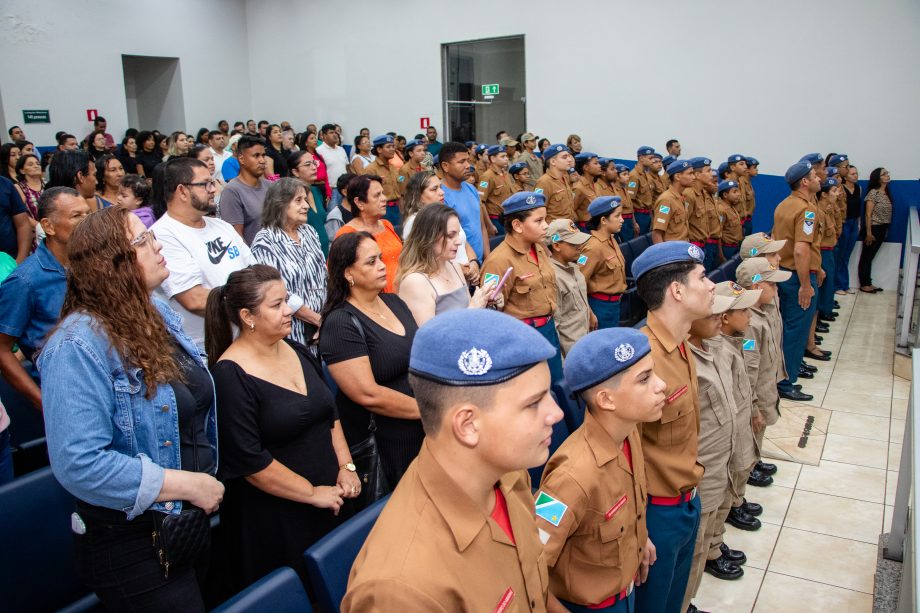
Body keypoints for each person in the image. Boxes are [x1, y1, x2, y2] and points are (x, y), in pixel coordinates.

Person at [39, 206, 224, 611]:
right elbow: (80, 464)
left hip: (184, 523)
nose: (158, 246)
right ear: (113, 261)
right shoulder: (75, 345)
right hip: (133, 542)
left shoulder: (152, 312)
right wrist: (188, 484)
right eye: (143, 240)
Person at [341, 308, 564, 611]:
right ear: (468, 426)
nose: (557, 413)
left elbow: (532, 583)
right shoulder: (403, 590)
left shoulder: (508, 474)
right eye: (534, 403)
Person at [206, 264, 356, 590]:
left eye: (286, 300)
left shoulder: (297, 350)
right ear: (248, 316)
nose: (289, 310)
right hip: (278, 520)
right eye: (276, 305)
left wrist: (346, 466)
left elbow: (330, 415)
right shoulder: (230, 377)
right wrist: (311, 493)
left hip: (330, 499)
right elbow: (251, 462)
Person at [538, 327, 664, 612]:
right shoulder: (571, 478)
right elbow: (529, 567)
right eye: (645, 380)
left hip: (625, 592)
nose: (662, 385)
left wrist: (639, 538)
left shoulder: (628, 433)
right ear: (606, 400)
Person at [630, 241, 715, 613]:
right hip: (655, 515)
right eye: (702, 278)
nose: (712, 285)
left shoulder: (682, 344)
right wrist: (637, 528)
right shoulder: (642, 360)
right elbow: (622, 453)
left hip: (686, 503)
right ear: (677, 291)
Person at [319, 231, 423, 488]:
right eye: (371, 262)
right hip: (389, 439)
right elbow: (368, 394)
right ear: (347, 273)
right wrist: (427, 411)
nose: (381, 266)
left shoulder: (394, 302)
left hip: (422, 428)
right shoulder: (340, 323)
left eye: (380, 258)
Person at [682, 287, 748, 612]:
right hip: (700, 471)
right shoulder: (683, 364)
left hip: (719, 463)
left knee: (706, 537)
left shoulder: (712, 348)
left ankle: (690, 596)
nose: (718, 318)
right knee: (692, 552)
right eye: (710, 313)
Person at [0, 187, 89, 410]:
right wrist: (42, 401)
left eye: (88, 214)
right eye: (76, 216)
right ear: (48, 226)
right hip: (66, 397)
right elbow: (2, 349)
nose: (87, 222)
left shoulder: (94, 264)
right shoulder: (26, 281)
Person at [152, 157, 251, 349]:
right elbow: (194, 299)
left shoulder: (221, 226)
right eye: (206, 184)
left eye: (212, 183)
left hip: (245, 339)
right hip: (206, 351)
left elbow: (251, 271)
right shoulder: (163, 235)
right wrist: (256, 303)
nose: (213, 189)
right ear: (182, 191)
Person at [482, 191, 563, 383]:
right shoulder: (499, 261)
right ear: (517, 225)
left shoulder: (539, 248)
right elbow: (490, 314)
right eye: (539, 221)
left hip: (549, 329)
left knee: (558, 385)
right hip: (523, 336)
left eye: (546, 219)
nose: (546, 225)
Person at [250, 178, 327, 346]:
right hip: (292, 332)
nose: (306, 206)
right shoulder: (266, 241)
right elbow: (274, 290)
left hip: (322, 324)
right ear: (280, 204)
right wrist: (316, 319)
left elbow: (323, 274)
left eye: (306, 200)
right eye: (298, 200)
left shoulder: (309, 232)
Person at [771, 160, 821, 401]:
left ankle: (793, 365)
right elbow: (801, 250)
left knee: (789, 327)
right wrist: (806, 284)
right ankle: (786, 381)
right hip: (797, 275)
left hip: (784, 272)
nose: (819, 178)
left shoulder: (784, 204)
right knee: (796, 328)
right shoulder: (806, 210)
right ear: (805, 182)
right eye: (815, 175)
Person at [397, 204, 496, 324]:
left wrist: (485, 301)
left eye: (458, 234)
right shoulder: (415, 282)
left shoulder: (453, 265)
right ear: (429, 237)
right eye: (450, 235)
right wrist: (473, 309)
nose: (459, 242)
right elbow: (428, 338)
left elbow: (467, 312)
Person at [334, 175, 403, 293]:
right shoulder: (348, 233)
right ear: (359, 202)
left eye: (383, 193)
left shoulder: (386, 224)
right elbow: (340, 275)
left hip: (401, 293)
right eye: (377, 195)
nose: (384, 198)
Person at [544, 219, 594, 355]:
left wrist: (589, 312)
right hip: (571, 350)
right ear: (557, 246)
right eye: (573, 244)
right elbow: (555, 324)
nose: (580, 246)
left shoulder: (573, 266)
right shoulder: (553, 276)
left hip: (584, 340)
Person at [580, 196, 627, 330]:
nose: (622, 219)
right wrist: (589, 313)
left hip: (614, 305)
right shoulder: (593, 247)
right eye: (617, 216)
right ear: (603, 220)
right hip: (599, 307)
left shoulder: (611, 239)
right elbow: (579, 283)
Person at [439, 141, 487, 265]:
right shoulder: (440, 195)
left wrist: (488, 259)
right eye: (461, 162)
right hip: (460, 265)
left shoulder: (471, 188)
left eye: (467, 160)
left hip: (479, 262)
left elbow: (481, 226)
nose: (467, 166)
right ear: (445, 166)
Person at [219, 135, 270, 245]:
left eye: (263, 155)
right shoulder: (232, 191)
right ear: (241, 159)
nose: (262, 160)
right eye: (256, 156)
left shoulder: (269, 186)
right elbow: (237, 238)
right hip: (254, 258)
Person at [859, 167, 893, 293]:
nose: (887, 175)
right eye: (884, 174)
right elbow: (868, 214)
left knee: (870, 256)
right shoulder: (873, 193)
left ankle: (868, 281)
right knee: (866, 257)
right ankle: (864, 283)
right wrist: (869, 232)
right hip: (873, 228)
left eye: (887, 173)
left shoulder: (886, 193)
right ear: (878, 178)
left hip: (883, 228)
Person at [360, 135, 402, 226]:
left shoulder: (393, 168)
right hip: (383, 209)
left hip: (398, 208)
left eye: (393, 146)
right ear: (379, 150)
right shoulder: (371, 169)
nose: (392, 149)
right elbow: (366, 193)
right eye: (388, 147)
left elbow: (400, 184)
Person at [479, 144, 519, 235]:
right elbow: (481, 202)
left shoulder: (506, 174)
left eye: (506, 156)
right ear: (493, 159)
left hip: (507, 217)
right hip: (495, 219)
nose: (506, 159)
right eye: (502, 156)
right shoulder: (487, 176)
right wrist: (489, 225)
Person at [651, 160, 694, 244]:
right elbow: (657, 234)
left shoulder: (681, 197)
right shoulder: (666, 200)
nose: (694, 177)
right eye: (690, 174)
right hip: (672, 251)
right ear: (677, 176)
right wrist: (664, 256)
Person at [47, 149, 102, 213]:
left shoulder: (52, 211)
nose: (97, 182)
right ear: (80, 176)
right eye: (94, 175)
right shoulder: (81, 215)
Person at [816, 178, 841, 320]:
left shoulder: (828, 209)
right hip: (822, 251)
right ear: (824, 194)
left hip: (829, 249)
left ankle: (826, 308)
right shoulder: (819, 212)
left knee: (829, 281)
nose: (837, 194)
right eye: (834, 191)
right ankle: (820, 313)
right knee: (823, 284)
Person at [834, 163, 861, 294]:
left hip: (854, 223)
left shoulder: (858, 188)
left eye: (856, 173)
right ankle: (837, 285)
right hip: (844, 223)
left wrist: (858, 224)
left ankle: (845, 284)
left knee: (846, 256)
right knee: (839, 255)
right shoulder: (841, 189)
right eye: (852, 173)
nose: (855, 176)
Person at [536, 144, 576, 223]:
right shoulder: (544, 182)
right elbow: (538, 212)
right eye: (564, 157)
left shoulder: (564, 178)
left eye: (569, 156)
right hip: (554, 232)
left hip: (569, 228)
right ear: (553, 162)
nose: (569, 160)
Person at [627, 146, 657, 235]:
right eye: (650, 158)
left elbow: (649, 200)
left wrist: (651, 218)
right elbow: (630, 201)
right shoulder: (634, 176)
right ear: (641, 158)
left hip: (647, 215)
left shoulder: (646, 175)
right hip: (639, 216)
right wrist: (634, 222)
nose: (652, 161)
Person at [317, 125, 350, 200]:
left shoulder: (341, 149)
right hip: (331, 190)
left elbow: (347, 167)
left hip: (345, 188)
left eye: (335, 132)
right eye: (331, 132)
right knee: (332, 211)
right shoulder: (319, 151)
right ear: (324, 136)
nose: (335, 135)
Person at [14, 153, 43, 234]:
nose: (36, 166)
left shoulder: (48, 185)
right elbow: (21, 214)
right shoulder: (18, 187)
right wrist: (40, 227)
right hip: (34, 232)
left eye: (38, 164)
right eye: (30, 164)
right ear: (22, 170)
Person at [717, 180, 745, 261]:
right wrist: (721, 256)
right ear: (725, 195)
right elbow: (719, 234)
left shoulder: (732, 207)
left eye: (738, 191)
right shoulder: (721, 210)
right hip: (727, 249)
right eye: (734, 192)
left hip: (736, 246)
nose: (738, 194)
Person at [326, 172, 357, 238]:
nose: (361, 191)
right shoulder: (335, 216)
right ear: (345, 192)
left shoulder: (363, 210)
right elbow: (333, 242)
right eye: (356, 188)